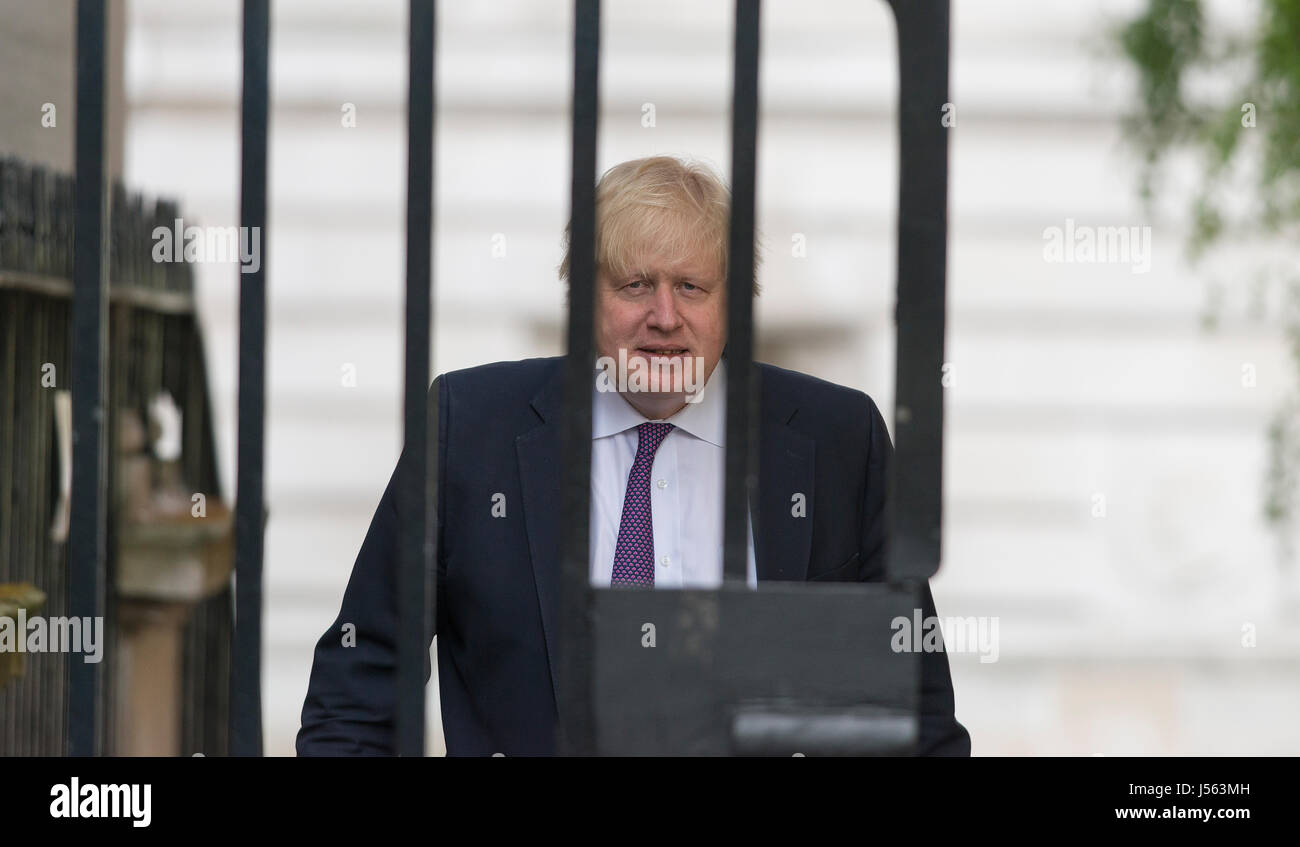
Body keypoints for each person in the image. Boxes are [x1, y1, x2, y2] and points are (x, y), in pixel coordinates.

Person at [297, 155, 971, 756]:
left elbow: (914, 710)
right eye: (635, 284)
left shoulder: (837, 438)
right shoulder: (471, 427)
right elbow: (358, 686)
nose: (665, 316)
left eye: (692, 287)